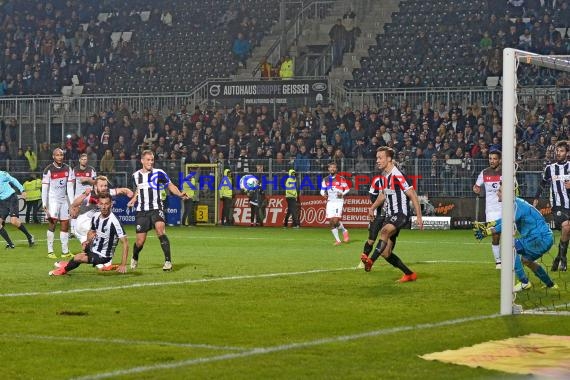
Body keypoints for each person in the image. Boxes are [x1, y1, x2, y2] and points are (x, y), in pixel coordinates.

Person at [474, 185, 559, 291]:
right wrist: (488, 224)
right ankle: (551, 284)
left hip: (539, 238)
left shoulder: (516, 205)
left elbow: (507, 224)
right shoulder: (516, 204)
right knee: (526, 260)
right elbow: (503, 220)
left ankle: (524, 282)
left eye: (500, 191)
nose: (497, 193)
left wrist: (487, 232)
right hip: (542, 238)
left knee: (510, 246)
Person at [361, 147, 423, 283]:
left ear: (389, 158)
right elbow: (383, 195)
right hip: (390, 215)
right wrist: (372, 207)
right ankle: (409, 274)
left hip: (401, 213)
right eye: (377, 158)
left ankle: (371, 260)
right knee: (385, 253)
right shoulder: (384, 176)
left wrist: (419, 216)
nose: (377, 160)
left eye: (380, 157)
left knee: (384, 231)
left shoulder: (398, 175)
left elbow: (412, 194)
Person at [127, 150, 189, 271]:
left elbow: (170, 185)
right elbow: (138, 190)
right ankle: (135, 257)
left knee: (160, 230)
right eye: (148, 160)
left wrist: (180, 194)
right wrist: (134, 199)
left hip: (156, 208)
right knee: (140, 242)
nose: (150, 162)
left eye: (152, 160)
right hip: (142, 211)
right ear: (142, 161)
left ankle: (168, 262)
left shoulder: (159, 173)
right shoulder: (135, 176)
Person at [48, 193, 129, 276]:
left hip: (104, 256)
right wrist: (87, 241)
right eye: (101, 204)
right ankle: (70, 264)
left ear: (111, 204)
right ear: (98, 204)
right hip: (94, 249)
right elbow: (92, 231)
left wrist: (123, 264)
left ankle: (62, 271)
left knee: (78, 257)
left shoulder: (114, 222)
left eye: (106, 204)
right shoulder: (96, 216)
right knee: (83, 250)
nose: (104, 207)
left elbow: (125, 243)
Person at [70, 175, 133, 270]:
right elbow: (74, 204)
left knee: (89, 249)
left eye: (106, 185)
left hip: (91, 225)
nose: (104, 188)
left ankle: (74, 262)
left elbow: (119, 190)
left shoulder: (107, 194)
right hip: (83, 224)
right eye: (101, 186)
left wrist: (127, 191)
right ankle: (103, 262)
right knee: (104, 238)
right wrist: (84, 195)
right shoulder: (90, 195)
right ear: (95, 186)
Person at [533, 140, 570, 272]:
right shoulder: (550, 168)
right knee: (566, 227)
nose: (558, 153)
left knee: (567, 231)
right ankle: (563, 261)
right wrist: (536, 198)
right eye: (557, 150)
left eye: (561, 151)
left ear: (567, 153)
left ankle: (558, 258)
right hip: (558, 205)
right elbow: (543, 183)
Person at [42, 148, 75, 259]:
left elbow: (70, 188)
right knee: (53, 224)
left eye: (61, 155)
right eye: (57, 155)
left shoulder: (68, 168)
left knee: (65, 224)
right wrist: (44, 204)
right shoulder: (48, 169)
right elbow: (45, 188)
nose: (60, 157)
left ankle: (65, 251)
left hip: (63, 199)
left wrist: (72, 204)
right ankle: (50, 251)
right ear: (53, 156)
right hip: (53, 200)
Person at [473, 149, 502, 269]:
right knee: (496, 235)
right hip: (491, 209)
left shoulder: (506, 172)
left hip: (505, 207)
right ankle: (498, 261)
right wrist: (476, 189)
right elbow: (476, 186)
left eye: (495, 158)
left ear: (499, 160)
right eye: (490, 158)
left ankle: (511, 259)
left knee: (508, 234)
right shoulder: (484, 173)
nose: (492, 161)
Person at [0, 170, 35, 248]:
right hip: (2, 202)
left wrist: (22, 190)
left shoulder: (2, 174)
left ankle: (29, 236)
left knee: (14, 221)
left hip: (11, 198)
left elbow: (13, 180)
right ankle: (10, 243)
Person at [320, 162, 350, 245]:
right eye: (331, 167)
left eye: (334, 167)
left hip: (338, 201)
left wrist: (342, 194)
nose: (332, 169)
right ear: (328, 169)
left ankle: (344, 230)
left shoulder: (341, 178)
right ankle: (338, 240)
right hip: (330, 202)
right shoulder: (325, 179)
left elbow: (347, 189)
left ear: (336, 169)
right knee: (331, 222)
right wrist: (324, 194)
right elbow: (322, 191)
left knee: (335, 220)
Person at [70, 153, 96, 236]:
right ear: (79, 160)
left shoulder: (91, 170)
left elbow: (95, 182)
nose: (84, 161)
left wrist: (88, 179)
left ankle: (90, 229)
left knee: (90, 212)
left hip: (89, 195)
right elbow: (72, 183)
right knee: (75, 212)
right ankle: (73, 231)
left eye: (85, 159)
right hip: (78, 195)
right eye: (82, 159)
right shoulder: (75, 170)